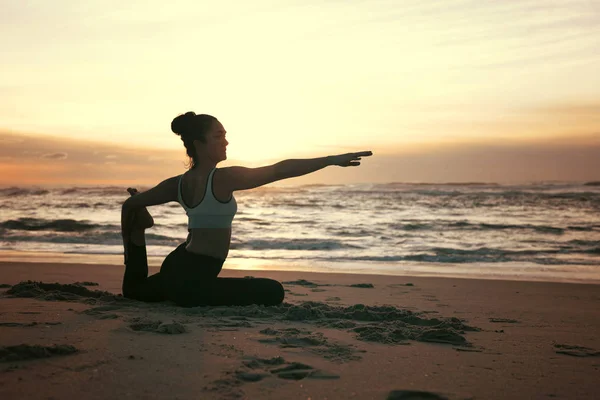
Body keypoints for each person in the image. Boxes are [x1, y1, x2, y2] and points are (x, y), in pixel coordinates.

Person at [121, 112, 372, 307]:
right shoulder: (223, 178)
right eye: (218, 136)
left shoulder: (177, 184)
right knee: (273, 292)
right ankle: (167, 275)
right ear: (199, 144)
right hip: (192, 282)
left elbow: (131, 204)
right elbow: (281, 170)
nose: (226, 141)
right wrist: (330, 160)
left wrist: (136, 222)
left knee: (136, 291)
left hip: (179, 267)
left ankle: (139, 238)